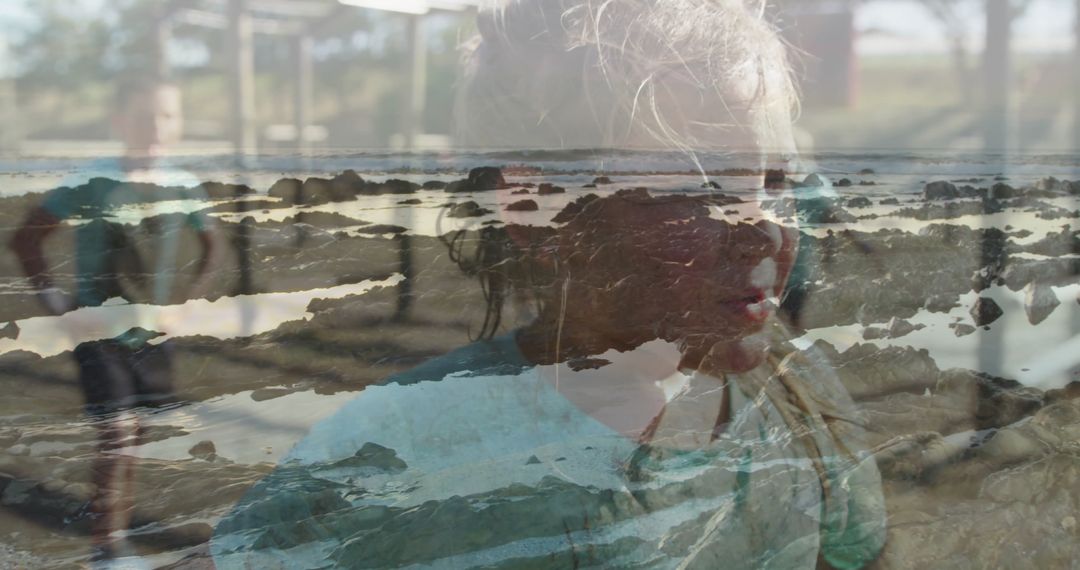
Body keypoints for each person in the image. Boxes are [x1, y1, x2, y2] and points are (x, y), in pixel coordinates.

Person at [211, 1, 885, 568]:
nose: (766, 229)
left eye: (777, 183)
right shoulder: (403, 452)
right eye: (699, 185)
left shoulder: (800, 401)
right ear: (537, 209)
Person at [9, 75, 217, 567]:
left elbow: (213, 246)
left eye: (167, 115)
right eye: (144, 116)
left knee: (136, 437)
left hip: (154, 333)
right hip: (98, 333)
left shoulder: (184, 185)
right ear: (119, 121)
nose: (156, 127)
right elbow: (25, 239)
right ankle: (108, 546)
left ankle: (113, 526)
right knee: (118, 435)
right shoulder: (92, 182)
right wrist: (57, 303)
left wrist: (189, 305)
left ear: (180, 123)